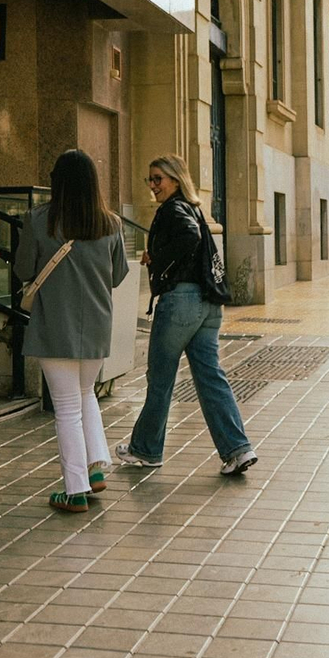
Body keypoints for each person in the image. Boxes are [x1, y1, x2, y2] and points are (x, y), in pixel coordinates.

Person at [118, 154, 257, 477]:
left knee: (161, 378)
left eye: (158, 179)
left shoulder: (173, 209)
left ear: (175, 180)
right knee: (210, 377)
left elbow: (188, 237)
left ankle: (146, 450)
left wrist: (158, 259)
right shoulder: (193, 206)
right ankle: (238, 449)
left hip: (181, 302)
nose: (152, 186)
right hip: (208, 304)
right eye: (149, 180)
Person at [15, 151, 129, 513]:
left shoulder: (39, 221)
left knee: (66, 408)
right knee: (85, 395)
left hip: (55, 326)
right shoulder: (110, 224)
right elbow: (118, 274)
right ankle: (96, 467)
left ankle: (75, 489)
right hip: (96, 327)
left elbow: (22, 269)